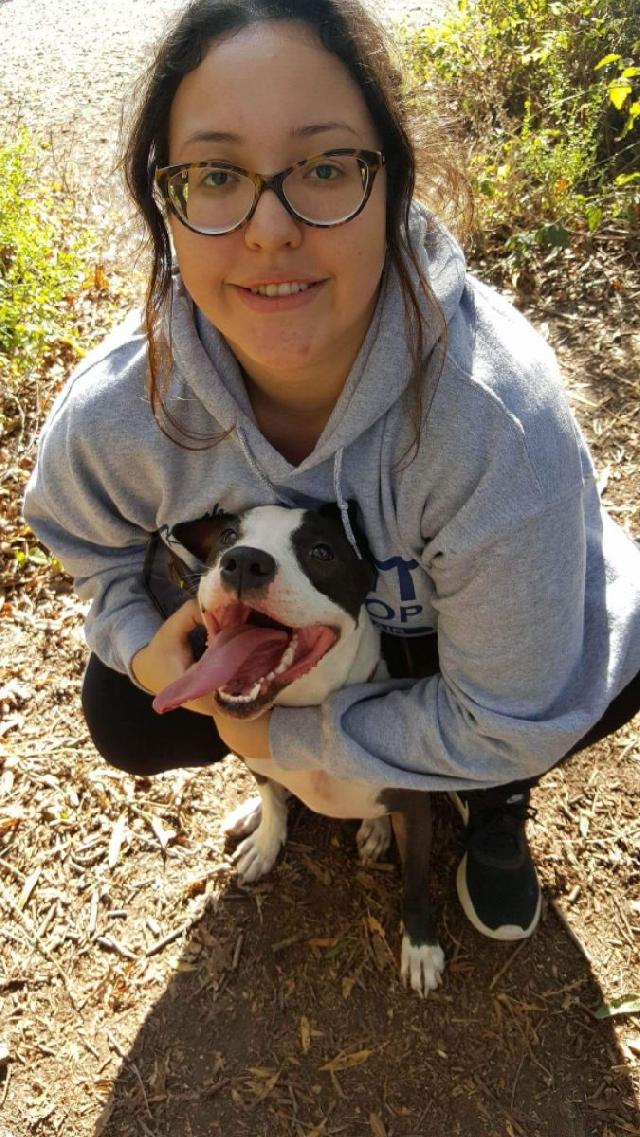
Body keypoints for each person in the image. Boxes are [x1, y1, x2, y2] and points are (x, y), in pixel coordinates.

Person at [24, 0, 640, 944]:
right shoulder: (119, 411)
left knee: (580, 674)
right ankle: (395, 762)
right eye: (217, 175)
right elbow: (86, 543)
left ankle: (491, 797)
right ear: (166, 203)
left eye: (324, 167)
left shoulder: (496, 424)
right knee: (129, 713)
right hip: (315, 641)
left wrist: (282, 737)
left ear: (393, 182)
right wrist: (141, 643)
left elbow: (519, 709)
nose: (271, 229)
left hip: (463, 643)